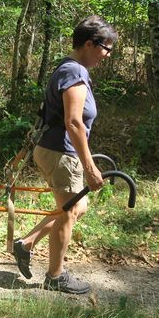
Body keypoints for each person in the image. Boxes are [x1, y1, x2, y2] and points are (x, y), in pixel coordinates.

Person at [13, 15, 118, 294]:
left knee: (74, 207)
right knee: (70, 211)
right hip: (61, 152)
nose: (107, 55)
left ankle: (26, 244)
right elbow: (74, 122)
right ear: (88, 43)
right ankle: (55, 276)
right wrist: (90, 167)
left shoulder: (68, 68)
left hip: (54, 149)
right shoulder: (75, 72)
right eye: (105, 48)